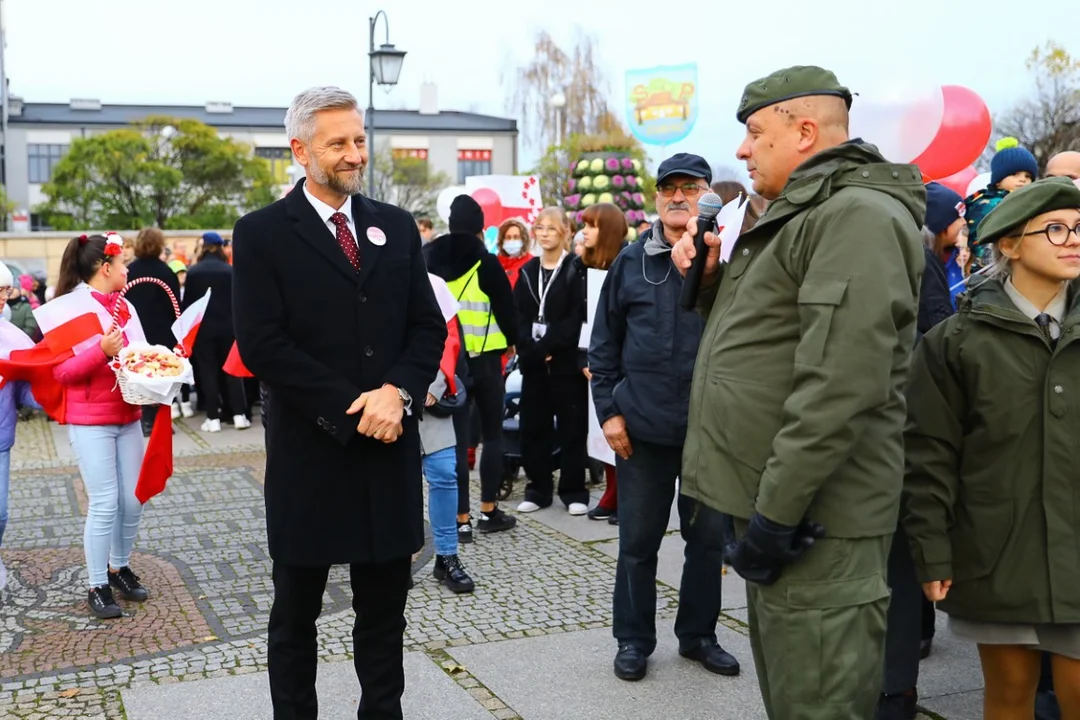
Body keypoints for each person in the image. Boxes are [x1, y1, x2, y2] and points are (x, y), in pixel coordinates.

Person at [673, 66, 925, 719]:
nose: (742, 150)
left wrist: (775, 516)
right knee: (796, 699)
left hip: (817, 521)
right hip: (788, 511)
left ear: (805, 131)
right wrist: (704, 280)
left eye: (755, 133)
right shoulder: (801, 213)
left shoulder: (855, 216)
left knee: (818, 704)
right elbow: (765, 343)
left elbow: (840, 384)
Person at [232, 86, 445, 720]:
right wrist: (359, 405)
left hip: (388, 453)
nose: (355, 155)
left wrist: (398, 393)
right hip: (311, 457)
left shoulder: (396, 225)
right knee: (295, 614)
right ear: (300, 151)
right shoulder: (263, 233)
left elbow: (427, 327)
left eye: (359, 140)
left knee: (385, 615)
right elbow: (263, 344)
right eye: (339, 144)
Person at [903, 177, 1080, 720]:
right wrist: (931, 548)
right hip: (997, 550)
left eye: (1079, 228)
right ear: (1008, 244)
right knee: (1009, 693)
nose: (1071, 239)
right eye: (1055, 228)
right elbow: (928, 453)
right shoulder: (955, 343)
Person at [592, 155, 740, 682]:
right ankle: (633, 640)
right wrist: (610, 414)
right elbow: (603, 347)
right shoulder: (631, 263)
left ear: (708, 195)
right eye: (668, 189)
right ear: (656, 198)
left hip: (709, 433)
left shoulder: (731, 260)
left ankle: (699, 635)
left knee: (705, 543)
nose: (678, 197)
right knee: (637, 543)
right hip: (643, 432)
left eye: (690, 188)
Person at [54, 234, 153, 619]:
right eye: (123, 264)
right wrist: (101, 351)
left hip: (128, 415)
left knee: (133, 499)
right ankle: (97, 584)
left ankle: (118, 567)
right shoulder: (67, 309)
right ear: (105, 267)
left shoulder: (125, 305)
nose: (128, 270)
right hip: (90, 420)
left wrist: (162, 362)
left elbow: (141, 353)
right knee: (105, 503)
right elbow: (62, 372)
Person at [424, 195, 519, 535]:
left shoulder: (428, 258)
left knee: (458, 441)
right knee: (492, 436)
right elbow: (509, 316)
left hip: (449, 366)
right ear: (481, 226)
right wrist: (513, 340)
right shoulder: (486, 261)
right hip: (488, 362)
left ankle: (460, 520)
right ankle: (488, 511)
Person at [512, 207, 589, 516]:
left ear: (565, 232)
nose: (544, 233)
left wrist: (549, 344)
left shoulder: (575, 268)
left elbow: (576, 317)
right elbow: (517, 315)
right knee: (533, 427)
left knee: (572, 428)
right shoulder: (528, 271)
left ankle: (573, 490)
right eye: (540, 228)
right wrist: (530, 348)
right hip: (533, 364)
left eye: (551, 228)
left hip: (564, 362)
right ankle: (538, 487)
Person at [420, 273, 476, 594]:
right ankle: (397, 558)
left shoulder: (435, 285)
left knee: (443, 474)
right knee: (395, 482)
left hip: (430, 396)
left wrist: (436, 384)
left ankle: (447, 555)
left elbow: (450, 338)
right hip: (385, 398)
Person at [185, 232, 249, 432]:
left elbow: (188, 304)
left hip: (203, 330)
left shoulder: (194, 272)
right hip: (229, 327)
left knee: (208, 372)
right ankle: (239, 414)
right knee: (232, 372)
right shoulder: (229, 271)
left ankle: (213, 417)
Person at [0, 271, 40, 592]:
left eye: (6, 290)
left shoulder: (12, 337)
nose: (4, 297)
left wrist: (58, 396)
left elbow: (25, 391)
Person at [125, 228, 183, 437]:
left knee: (140, 373)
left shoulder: (129, 270)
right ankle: (161, 420)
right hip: (162, 330)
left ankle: (144, 418)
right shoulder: (166, 271)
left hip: (136, 330)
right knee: (163, 375)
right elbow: (175, 304)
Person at [965, 138, 1038, 271]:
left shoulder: (1028, 203)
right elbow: (981, 238)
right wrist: (989, 263)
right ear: (998, 180)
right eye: (1015, 174)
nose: (1022, 179)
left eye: (1028, 176)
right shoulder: (988, 204)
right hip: (990, 268)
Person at [495, 218, 532, 289]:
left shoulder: (531, 263)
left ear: (524, 239)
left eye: (516, 237)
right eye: (508, 237)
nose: (512, 241)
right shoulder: (495, 263)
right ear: (502, 240)